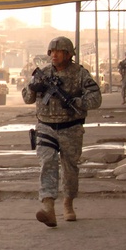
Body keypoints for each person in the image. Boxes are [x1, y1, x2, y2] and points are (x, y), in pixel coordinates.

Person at [22, 36, 102, 227]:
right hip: (45, 126)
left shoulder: (80, 74)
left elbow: (96, 98)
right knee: (47, 162)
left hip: (71, 127)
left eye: (59, 52)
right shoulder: (42, 73)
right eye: (52, 51)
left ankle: (68, 202)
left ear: (68, 54)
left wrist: (77, 102)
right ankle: (48, 206)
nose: (54, 55)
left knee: (70, 168)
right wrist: (33, 88)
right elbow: (27, 98)